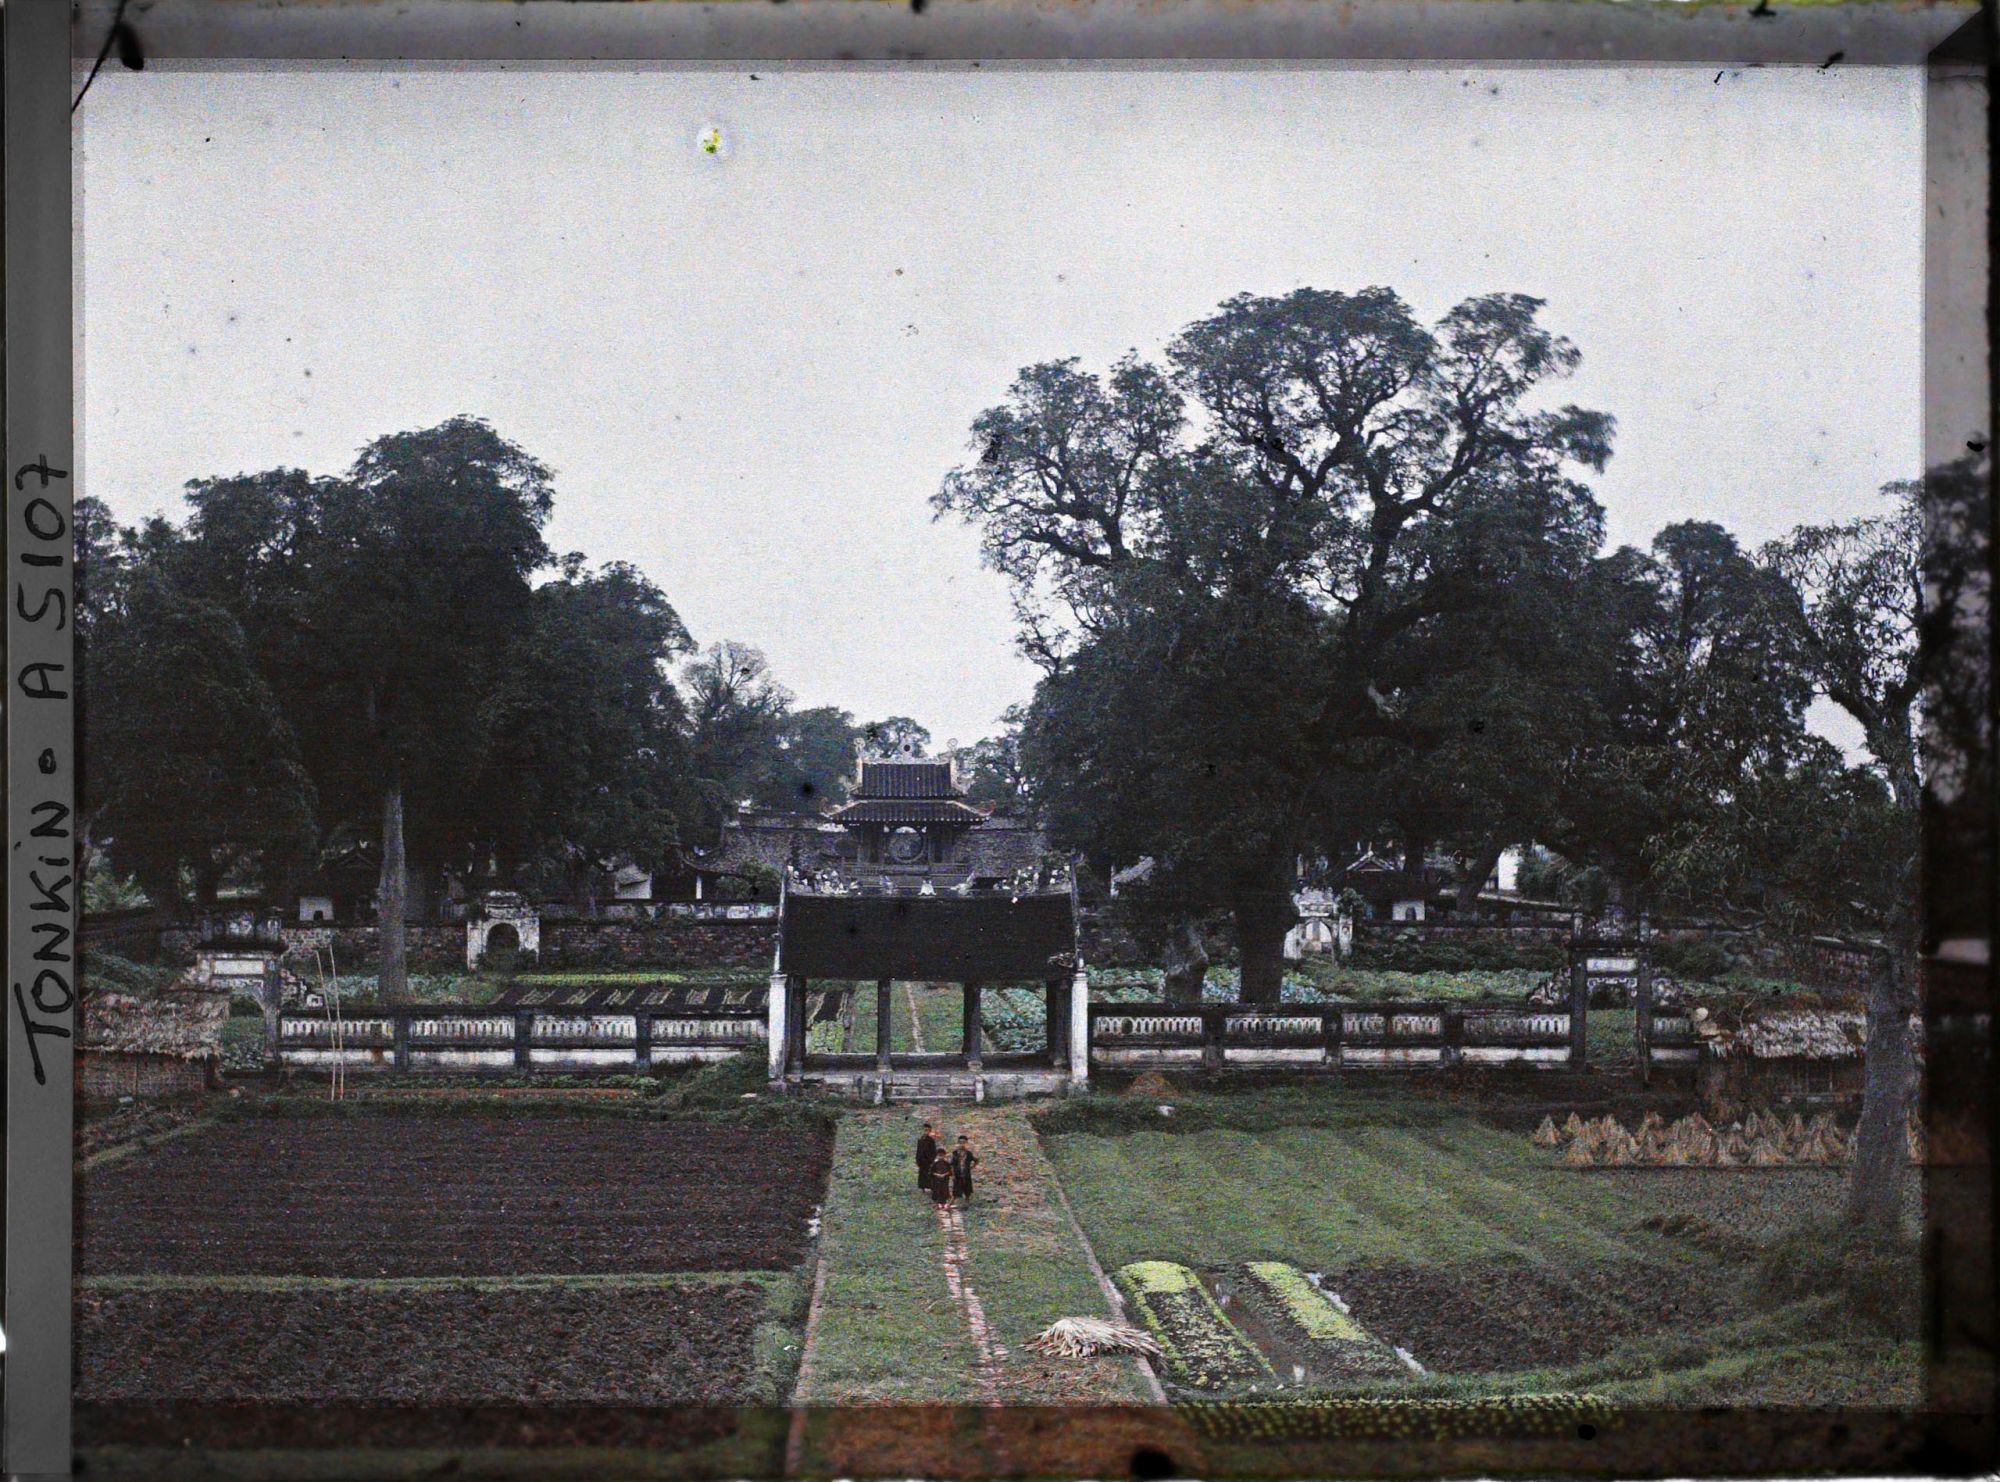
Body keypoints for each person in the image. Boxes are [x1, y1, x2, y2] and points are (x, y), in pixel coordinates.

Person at [950, 1134, 979, 1204]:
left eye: (964, 1142)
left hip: (966, 1174)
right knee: (956, 1188)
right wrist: (953, 1174)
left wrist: (972, 1167)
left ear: (966, 1143)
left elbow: (976, 1160)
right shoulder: (955, 1153)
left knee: (967, 1189)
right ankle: (951, 1202)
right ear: (958, 1143)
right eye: (960, 1142)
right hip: (958, 1173)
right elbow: (951, 1164)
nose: (962, 1144)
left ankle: (967, 1201)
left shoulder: (968, 1153)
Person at [916, 1122, 939, 1195]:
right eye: (925, 1130)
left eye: (928, 1130)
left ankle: (931, 1187)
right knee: (922, 1174)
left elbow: (934, 1151)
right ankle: (922, 1187)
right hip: (921, 1160)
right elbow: (918, 1150)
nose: (926, 1131)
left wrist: (931, 1159)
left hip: (928, 1160)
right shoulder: (920, 1139)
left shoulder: (931, 1140)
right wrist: (917, 1159)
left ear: (930, 1131)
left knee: (929, 1174)